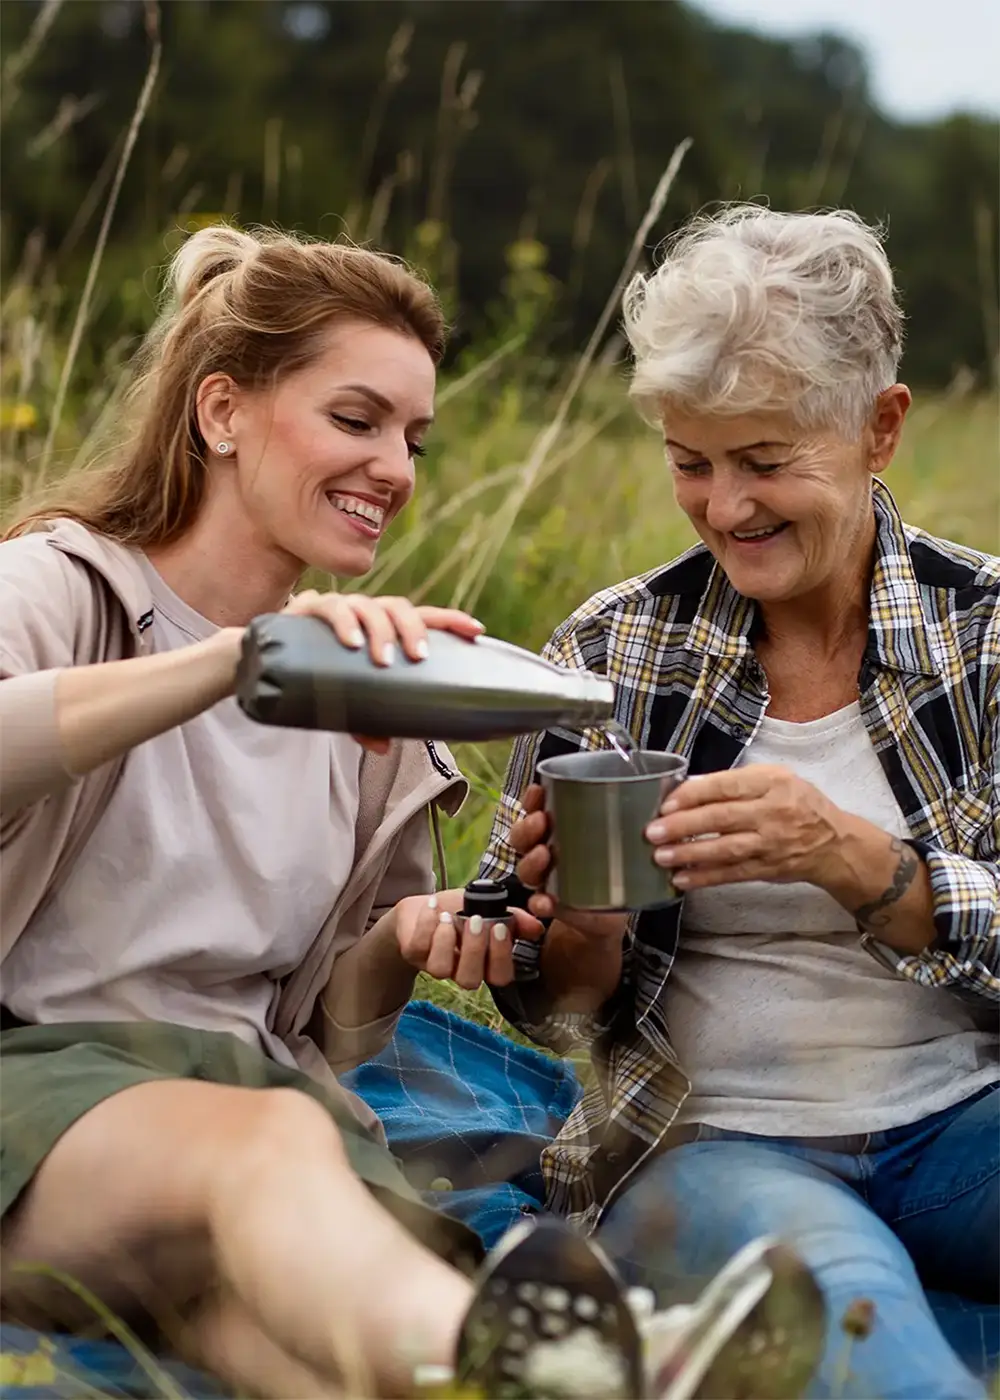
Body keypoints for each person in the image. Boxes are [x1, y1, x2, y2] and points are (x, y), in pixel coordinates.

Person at [0, 224, 613, 1400]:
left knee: (313, 1360)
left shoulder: (371, 695)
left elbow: (332, 1027)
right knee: (269, 1143)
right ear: (222, 410)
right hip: (47, 1108)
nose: (396, 465)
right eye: (356, 418)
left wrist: (406, 939)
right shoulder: (62, 590)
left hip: (245, 1129)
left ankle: (593, 1382)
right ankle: (567, 1362)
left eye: (414, 437)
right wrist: (241, 659)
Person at [465, 206, 999, 1400]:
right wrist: (577, 933)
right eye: (689, 460)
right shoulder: (613, 646)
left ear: (880, 426)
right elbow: (550, 1004)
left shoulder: (987, 633)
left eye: (766, 460)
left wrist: (861, 859)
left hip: (965, 1120)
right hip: (715, 1145)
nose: (725, 507)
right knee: (838, 1295)